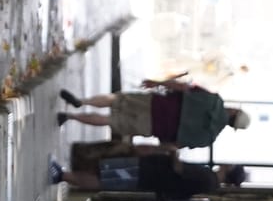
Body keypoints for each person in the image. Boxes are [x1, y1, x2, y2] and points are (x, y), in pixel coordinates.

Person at [60, 76, 251, 148]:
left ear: (234, 112)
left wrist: (158, 83)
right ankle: (70, 117)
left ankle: (81, 101)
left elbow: (182, 87)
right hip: (152, 126)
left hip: (156, 104)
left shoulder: (214, 100)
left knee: (117, 100)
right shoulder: (208, 138)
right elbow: (174, 144)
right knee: (111, 121)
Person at [51, 145, 248, 194]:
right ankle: (64, 175)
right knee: (105, 176)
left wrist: (173, 152)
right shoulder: (209, 184)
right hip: (151, 179)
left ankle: (62, 175)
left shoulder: (207, 177)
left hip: (150, 172)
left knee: (104, 176)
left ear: (229, 170)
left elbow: (180, 169)